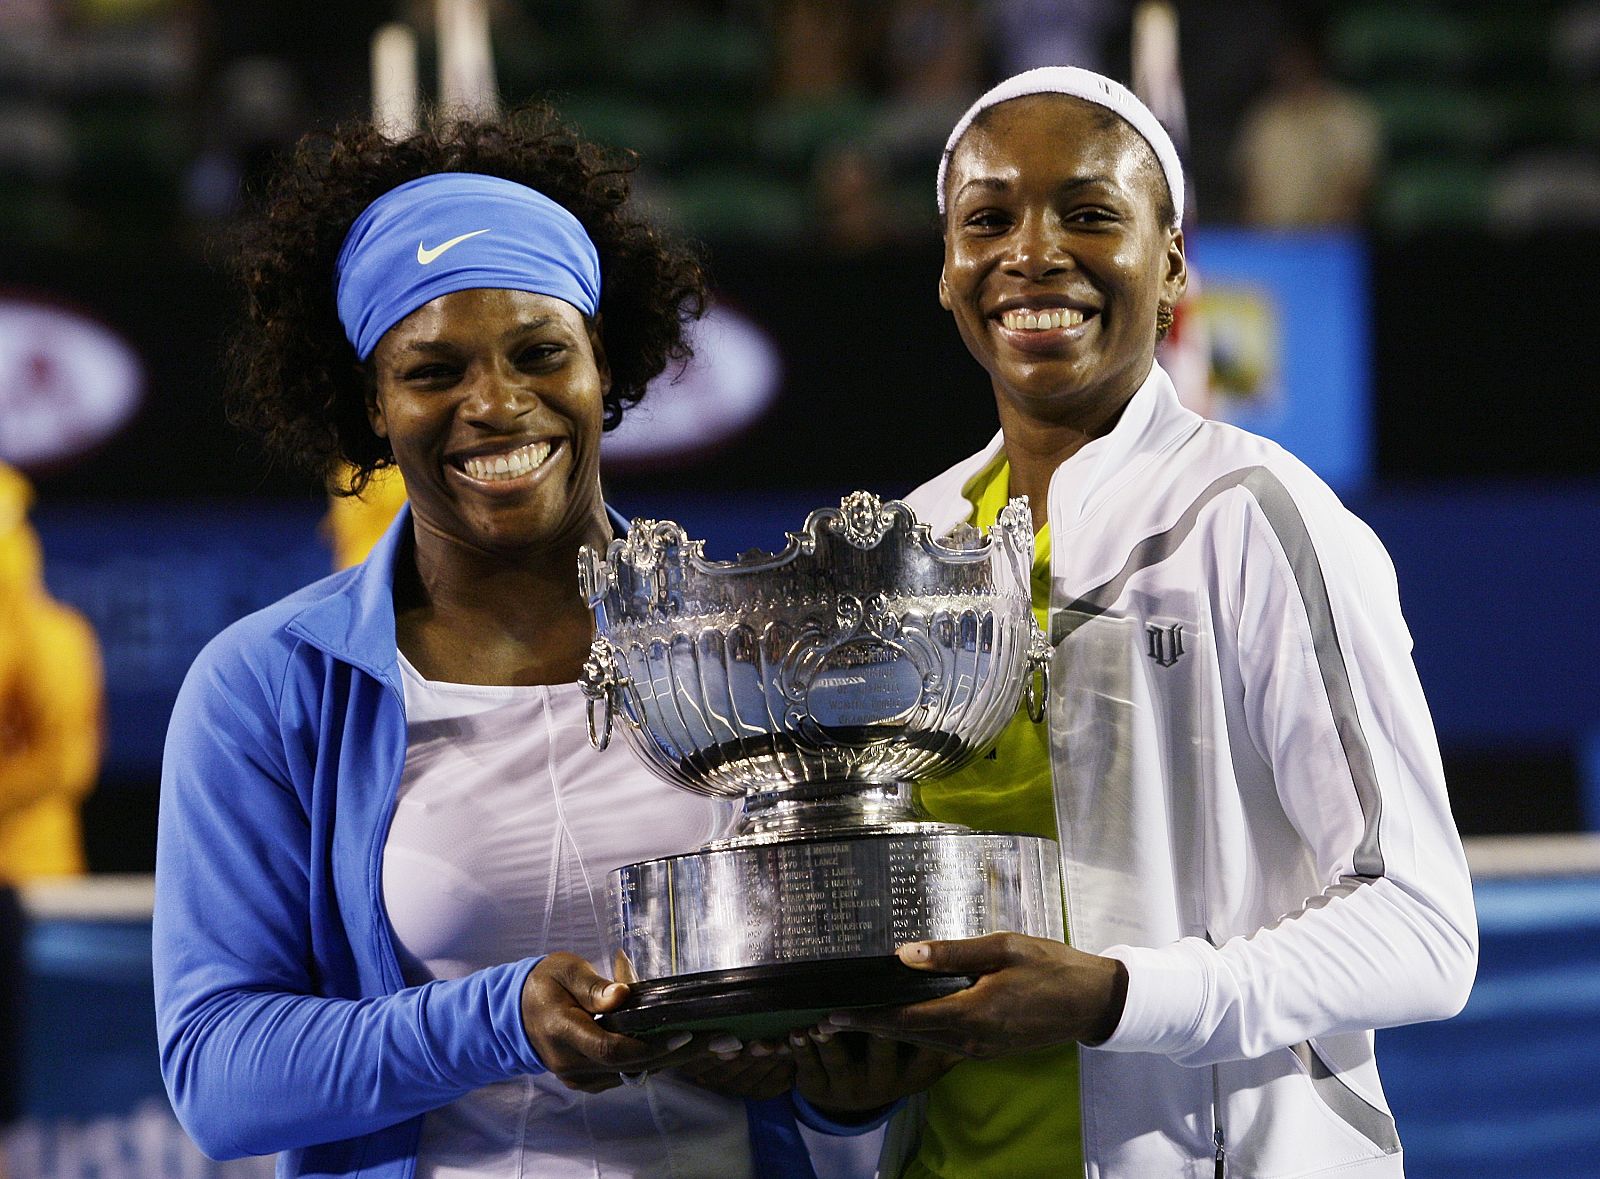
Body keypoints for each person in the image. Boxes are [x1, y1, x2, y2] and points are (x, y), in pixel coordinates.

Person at [153, 105, 919, 1179]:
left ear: (600, 364)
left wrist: (840, 1092)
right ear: (372, 401)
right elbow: (218, 1076)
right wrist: (502, 1017)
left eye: (538, 352)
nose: (496, 405)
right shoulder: (269, 685)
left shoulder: (765, 649)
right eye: (431, 371)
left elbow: (846, 1065)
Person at [824, 67, 1477, 1177]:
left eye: (1088, 215)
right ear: (946, 270)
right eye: (988, 220)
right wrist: (839, 1098)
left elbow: (1422, 929)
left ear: (1170, 263)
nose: (1032, 252)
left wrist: (1119, 997)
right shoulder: (902, 542)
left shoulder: (1255, 517)